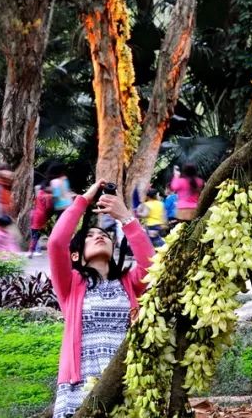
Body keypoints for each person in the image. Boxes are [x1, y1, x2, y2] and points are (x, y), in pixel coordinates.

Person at [49, 177, 154, 418]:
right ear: (75, 256)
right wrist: (84, 200)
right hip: (80, 387)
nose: (100, 237)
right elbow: (56, 243)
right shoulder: (71, 285)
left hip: (125, 381)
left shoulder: (129, 283)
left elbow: (151, 265)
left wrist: (125, 217)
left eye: (105, 235)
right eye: (90, 236)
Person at [29, 185, 54, 257]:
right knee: (38, 234)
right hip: (42, 217)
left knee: (34, 234)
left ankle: (34, 250)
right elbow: (49, 207)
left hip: (36, 216)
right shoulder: (48, 196)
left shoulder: (40, 194)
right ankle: (36, 250)